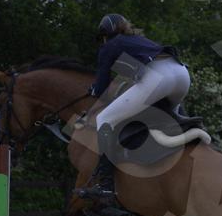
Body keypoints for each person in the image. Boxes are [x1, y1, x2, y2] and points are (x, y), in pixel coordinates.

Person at [79, 14, 189, 201]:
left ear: (105, 34)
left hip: (159, 77)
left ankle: (105, 186)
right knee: (173, 121)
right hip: (182, 74)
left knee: (103, 119)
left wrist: (93, 89)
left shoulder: (109, 45)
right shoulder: (137, 40)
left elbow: (101, 87)